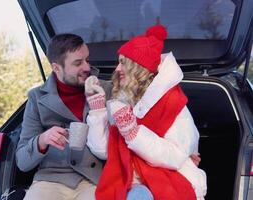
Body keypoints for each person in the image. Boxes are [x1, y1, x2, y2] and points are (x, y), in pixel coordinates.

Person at [85, 24, 207, 200]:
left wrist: (134, 134)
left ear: (138, 67)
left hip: (166, 180)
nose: (117, 69)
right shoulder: (122, 101)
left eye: (123, 62)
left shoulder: (172, 102)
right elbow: (104, 151)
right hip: (126, 181)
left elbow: (176, 156)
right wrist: (97, 110)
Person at [15, 33, 112, 200]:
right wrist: (42, 140)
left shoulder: (106, 89)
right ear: (56, 68)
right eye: (78, 63)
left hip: (94, 179)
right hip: (50, 180)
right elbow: (22, 161)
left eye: (87, 60)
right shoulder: (37, 98)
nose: (87, 68)